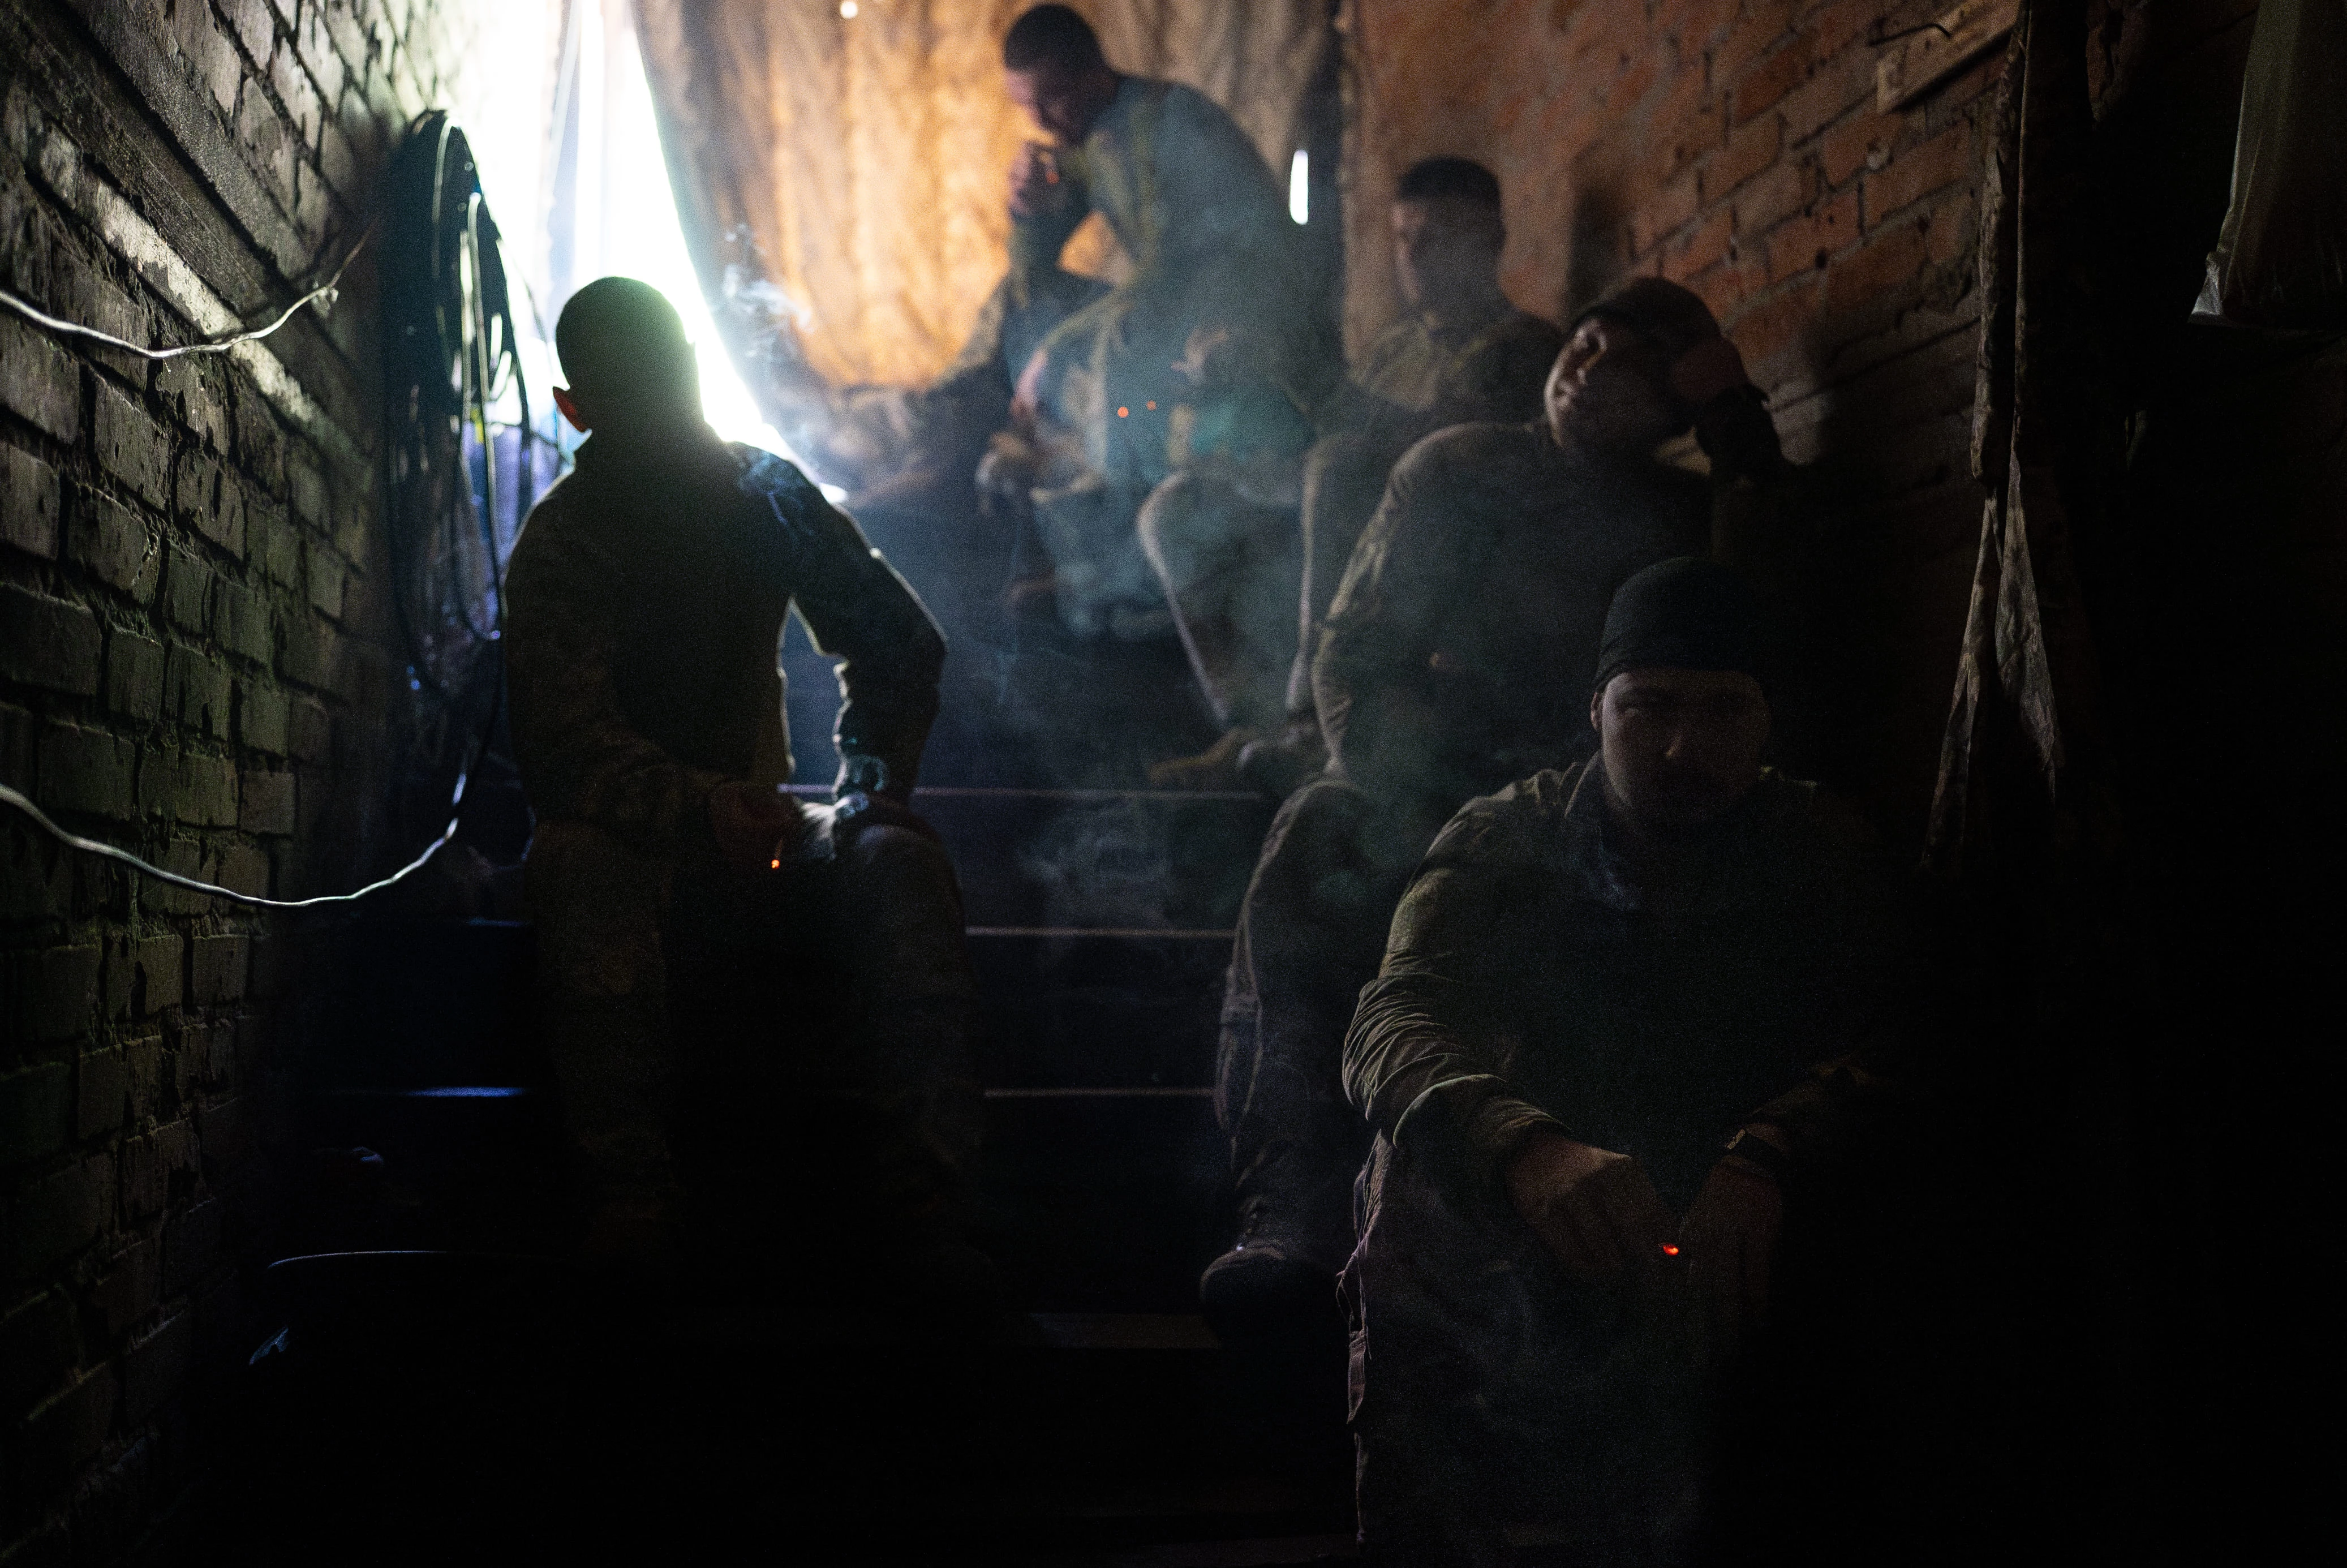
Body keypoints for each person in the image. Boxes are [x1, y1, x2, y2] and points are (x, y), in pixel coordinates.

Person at [1202, 278, 1787, 1334]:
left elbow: (1759, 622)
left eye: (1629, 366)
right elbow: (1356, 655)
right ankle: (1289, 1207)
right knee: (1318, 832)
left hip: (1590, 797)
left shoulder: (1675, 511)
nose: (1588, 371)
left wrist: (1735, 424)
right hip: (1435, 769)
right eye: (1586, 343)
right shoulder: (1461, 468)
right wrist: (1406, 805)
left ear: (1670, 405)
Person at [1341, 557, 1914, 1565]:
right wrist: (1523, 1147)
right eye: (1648, 707)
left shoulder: (1819, 848)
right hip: (1562, 1189)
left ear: (1767, 721)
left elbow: (1910, 1027)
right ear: (1595, 712)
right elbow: (1393, 1017)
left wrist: (1774, 1150)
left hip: (1739, 1197)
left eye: (1724, 710)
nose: (1684, 747)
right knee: (1411, 1177)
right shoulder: (1508, 839)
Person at [504, 278, 983, 1333]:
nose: (666, 404)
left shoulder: (764, 491)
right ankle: (634, 1203)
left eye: (670, 373)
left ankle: (928, 1209)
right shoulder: (567, 539)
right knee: (575, 863)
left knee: (897, 861)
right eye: (637, 388)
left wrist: (866, 795)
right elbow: (563, 746)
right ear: (578, 410)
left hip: (766, 832)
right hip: (635, 839)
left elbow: (899, 644)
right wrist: (700, 805)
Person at [996, 4, 1338, 638]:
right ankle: (1074, 535)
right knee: (1024, 307)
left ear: (1093, 73)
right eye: (1027, 106)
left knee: (1121, 337)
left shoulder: (1169, 122)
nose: (1041, 121)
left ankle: (1135, 569)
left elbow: (1173, 267)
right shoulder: (1087, 139)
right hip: (1177, 303)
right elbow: (1032, 278)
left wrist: (1058, 349)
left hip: (1252, 308)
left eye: (1052, 99)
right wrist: (1027, 214)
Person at [1235, 157, 1566, 794]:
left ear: (1490, 241)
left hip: (1454, 561)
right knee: (1192, 508)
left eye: (1435, 237)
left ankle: (1313, 718)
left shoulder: (1521, 346)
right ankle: (1245, 713)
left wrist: (1305, 372)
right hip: (1367, 544)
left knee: (1338, 466)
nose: (1411, 256)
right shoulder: (1393, 349)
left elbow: (1429, 451)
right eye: (1402, 237)